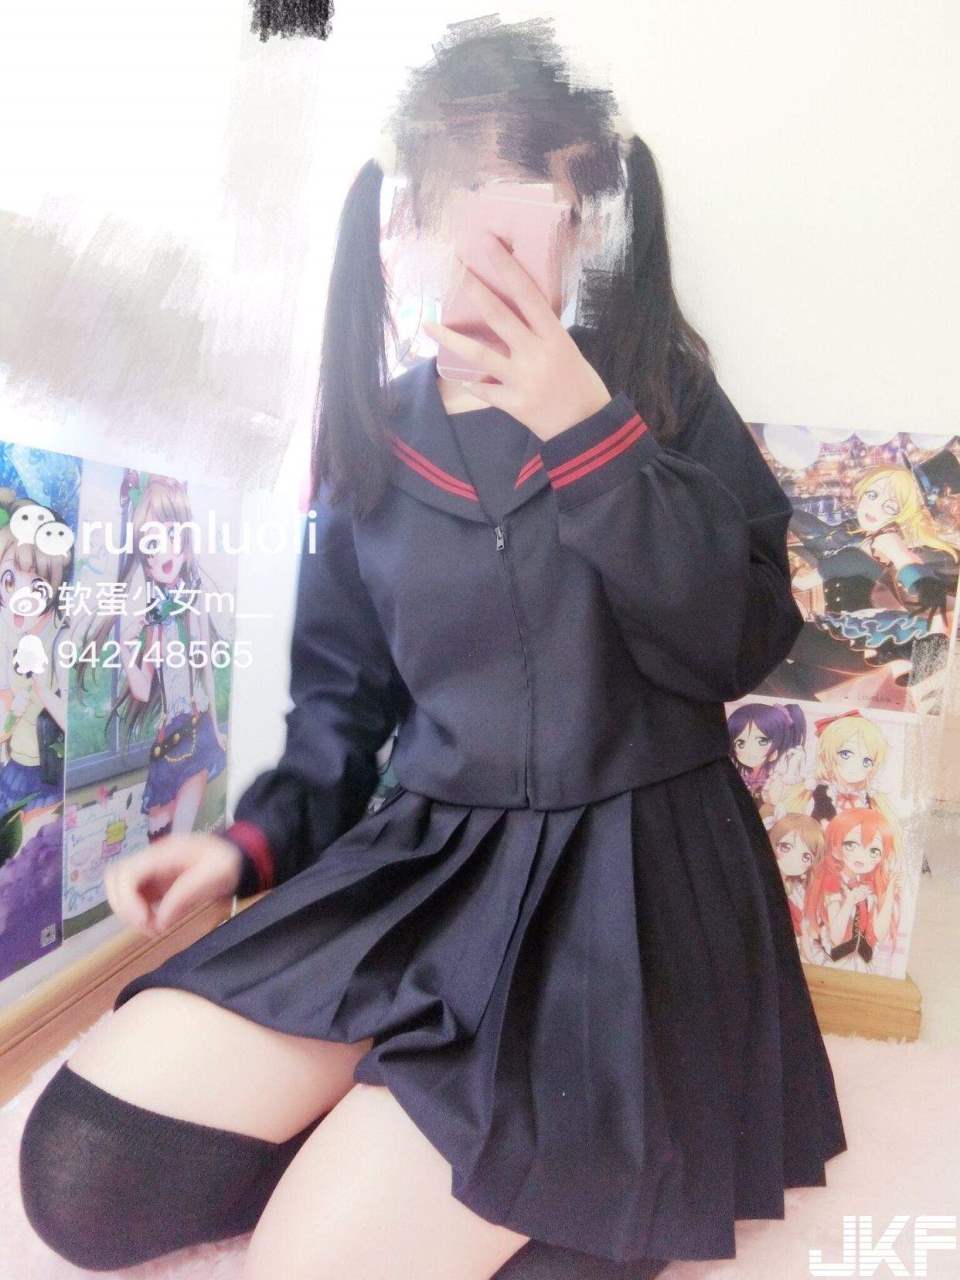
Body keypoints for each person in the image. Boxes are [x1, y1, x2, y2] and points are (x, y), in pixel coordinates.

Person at [18, 19, 846, 1279]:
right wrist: (241, 844)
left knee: (312, 1263)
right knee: (81, 1167)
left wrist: (587, 430)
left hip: (627, 881)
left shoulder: (657, 395)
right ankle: (419, 1104)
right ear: (403, 218)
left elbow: (737, 637)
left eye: (523, 209)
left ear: (580, 219)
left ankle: (579, 1160)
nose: (488, 246)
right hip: (431, 866)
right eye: (452, 204)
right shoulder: (372, 433)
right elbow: (341, 715)